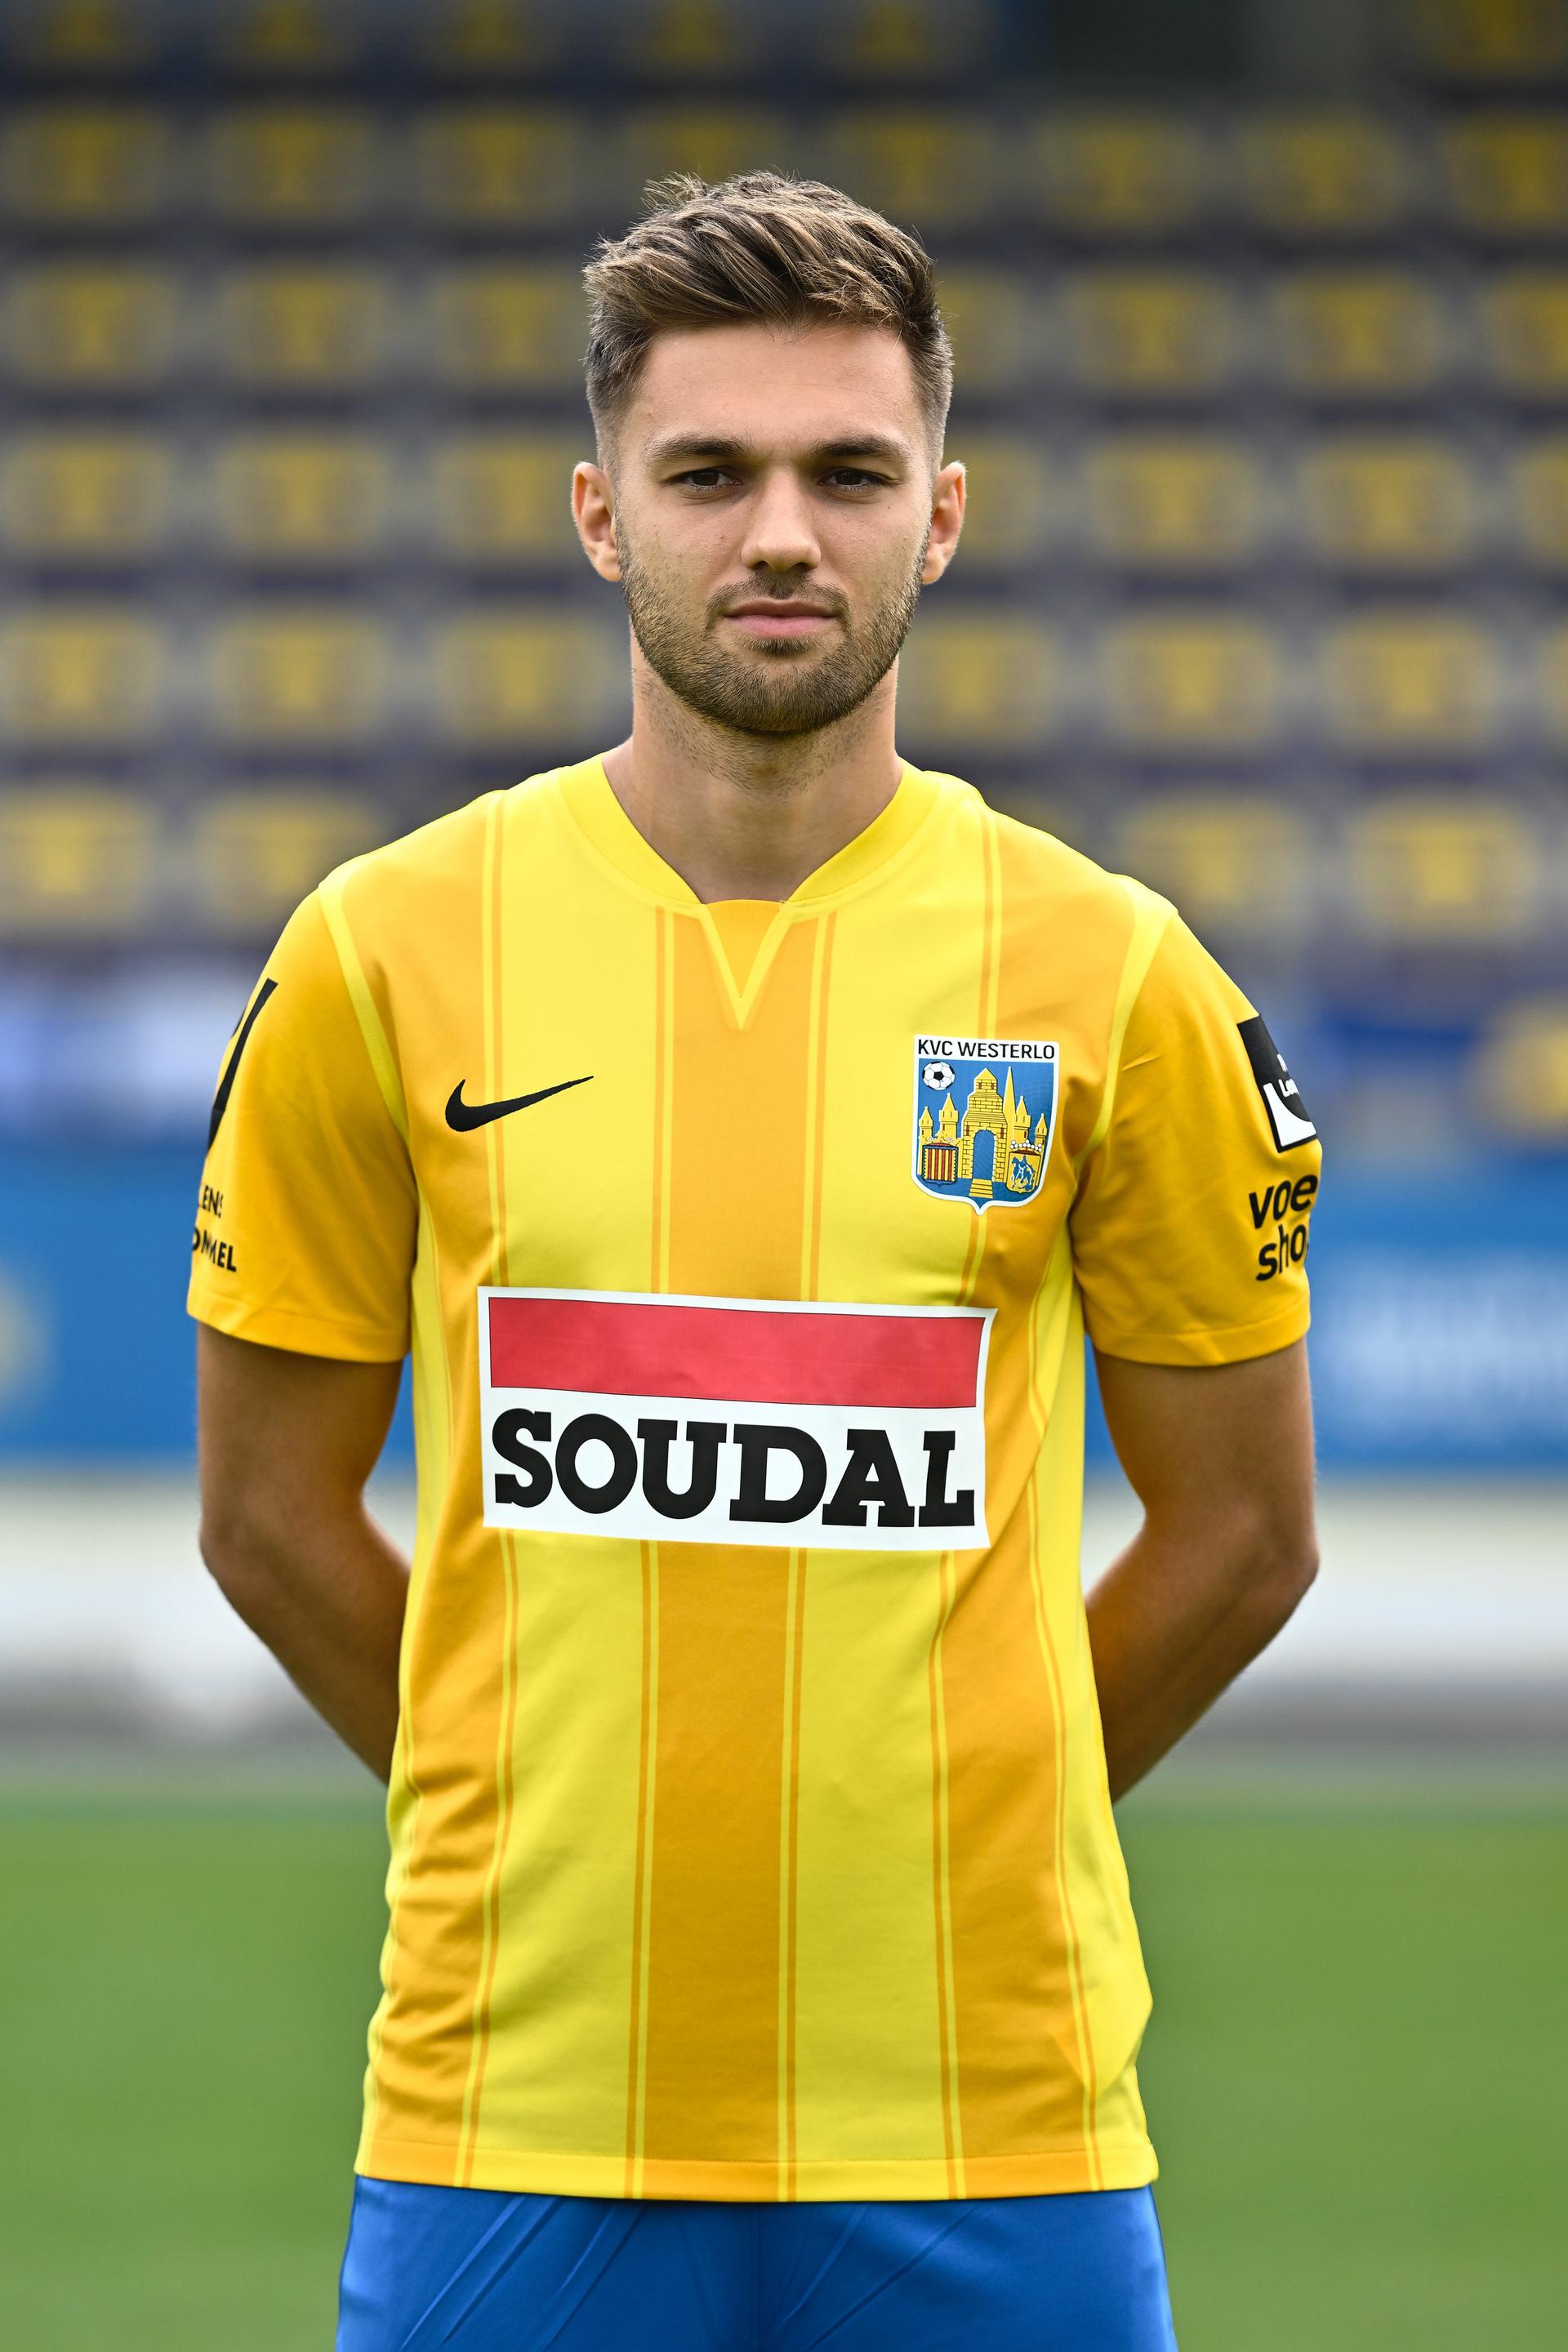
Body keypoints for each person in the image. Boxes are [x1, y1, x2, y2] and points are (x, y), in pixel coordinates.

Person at [190, 173, 1321, 2352]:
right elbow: (263, 1514)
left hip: (995, 2120)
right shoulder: (381, 948)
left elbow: (1244, 1538)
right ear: (603, 515)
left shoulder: (1116, 972)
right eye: (710, 473)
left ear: (945, 515)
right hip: (507, 2110)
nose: (782, 531)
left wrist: (963, 1814)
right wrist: (507, 1794)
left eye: (847, 473)